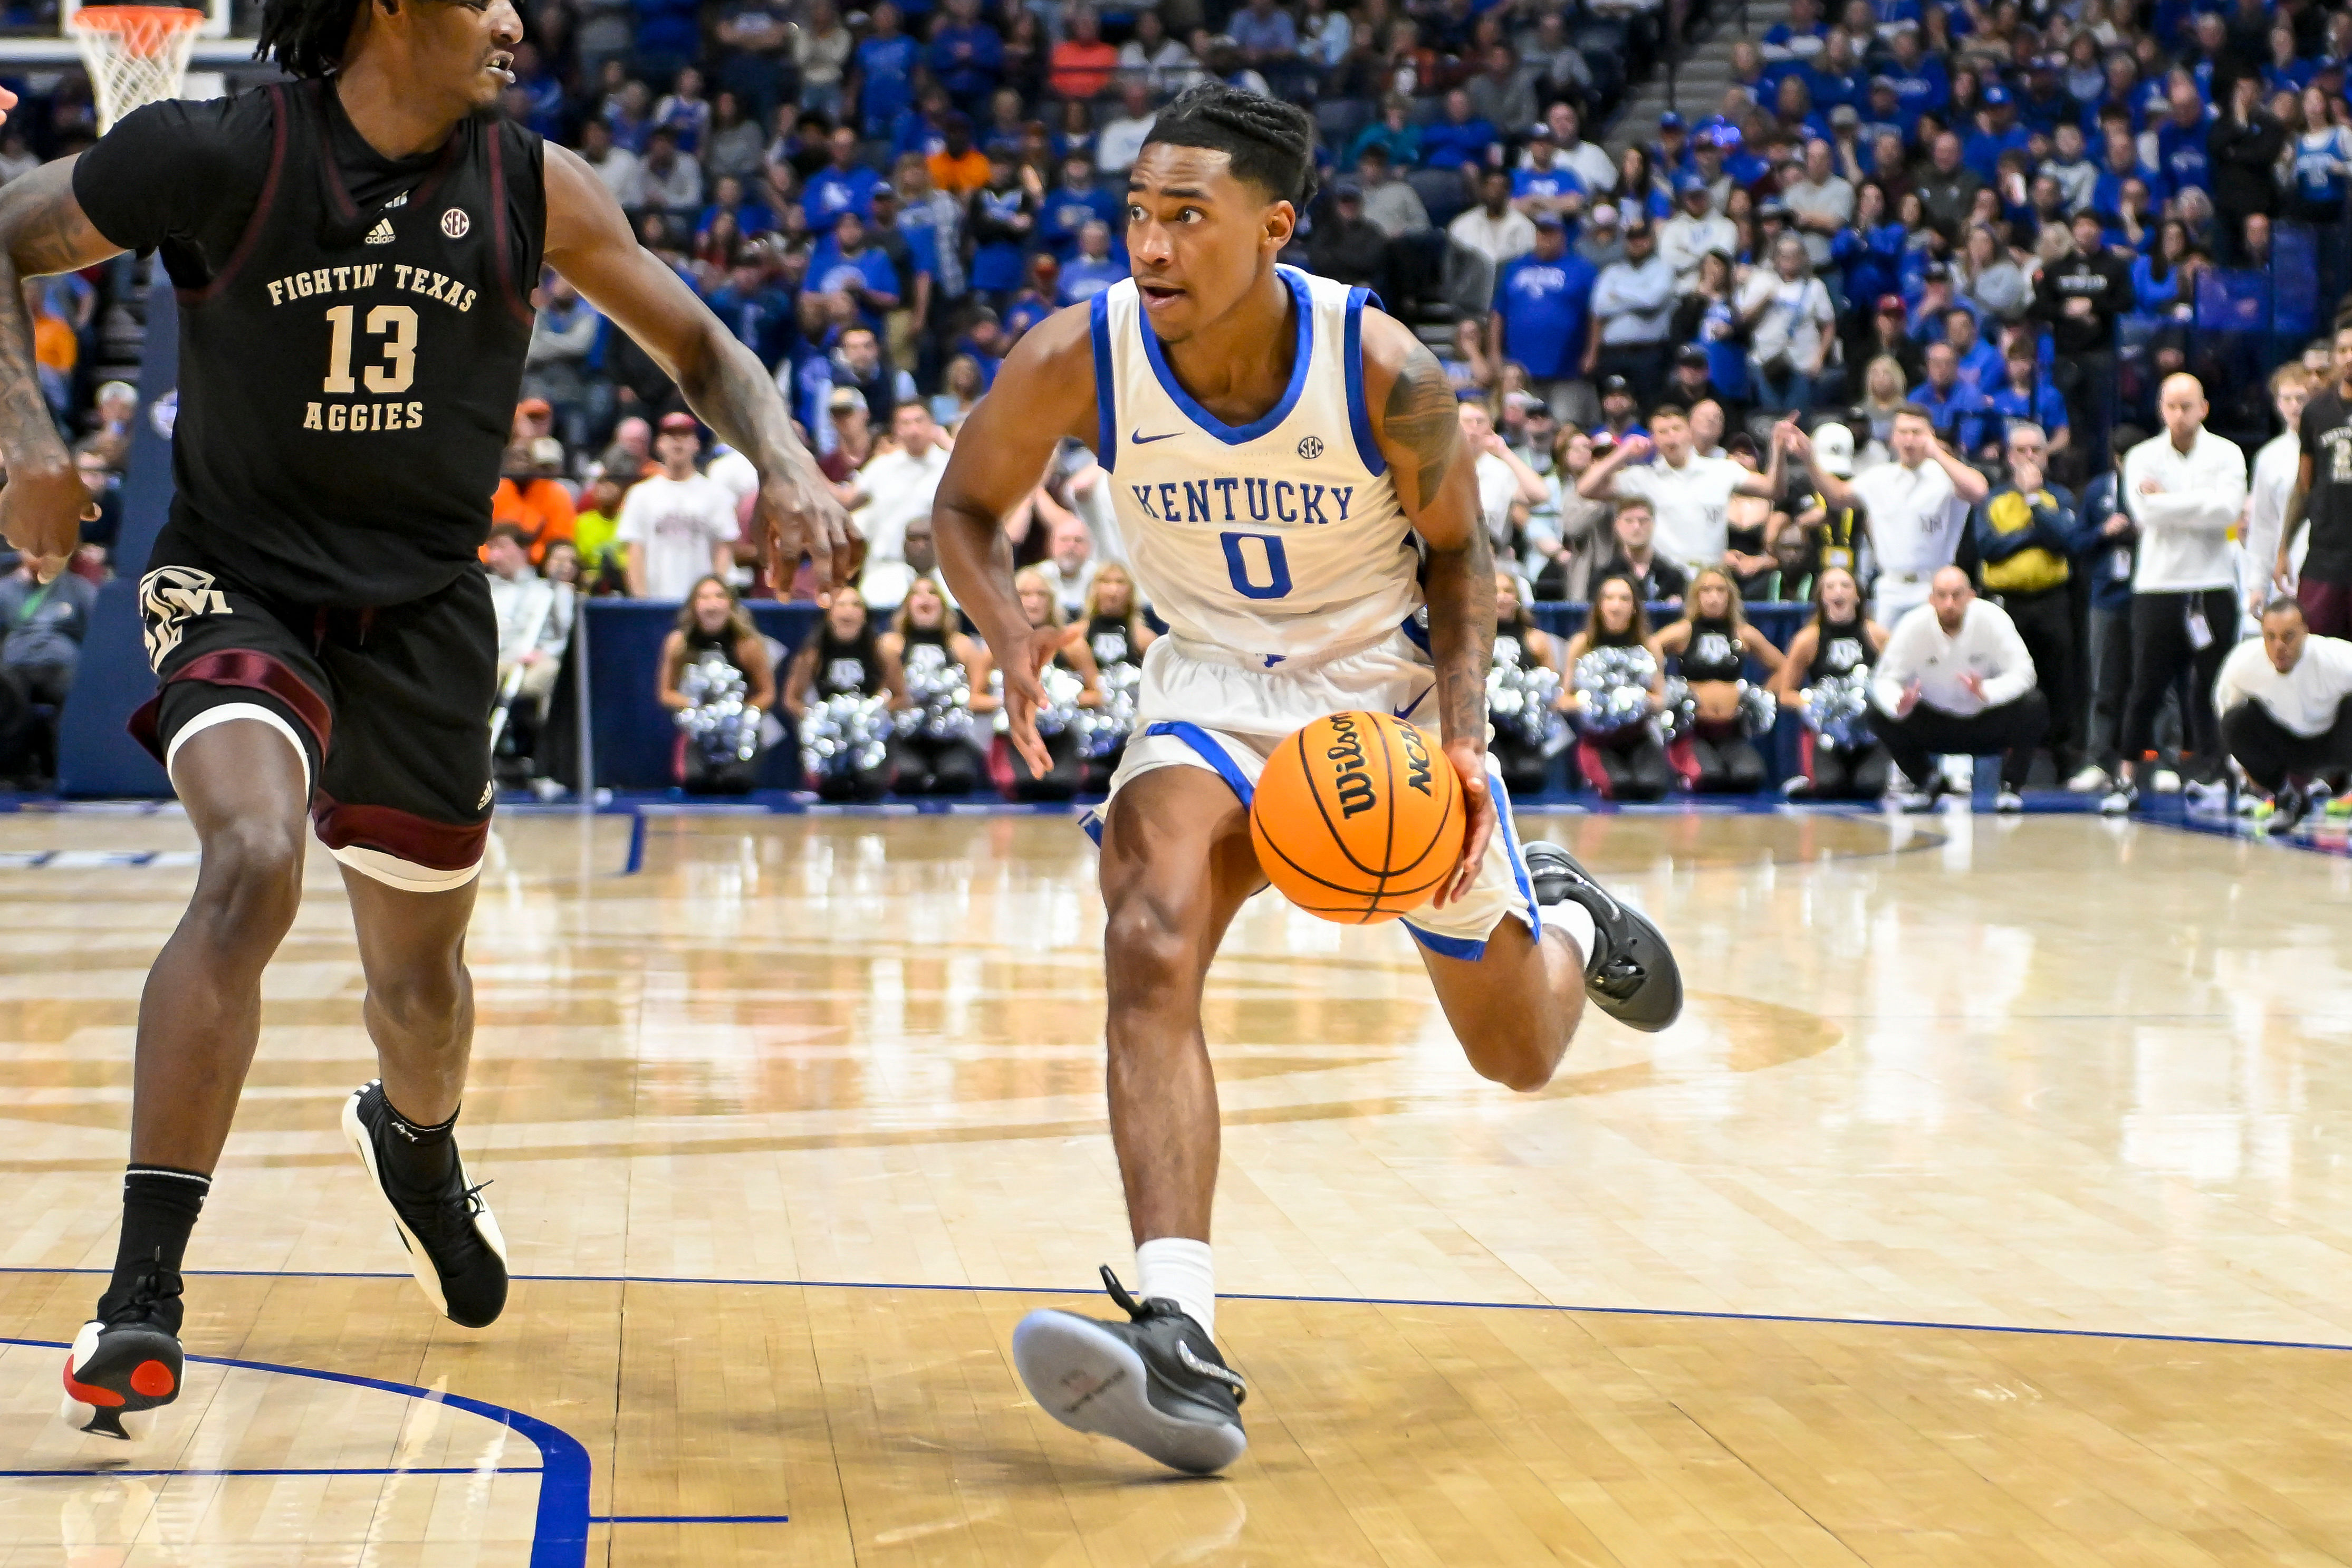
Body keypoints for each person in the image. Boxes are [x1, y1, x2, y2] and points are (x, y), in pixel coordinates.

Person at [0, 0, 853, 1439]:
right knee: (252, 860)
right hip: (240, 583)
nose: (517, 19)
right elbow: (7, 231)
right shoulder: (221, 151)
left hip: (422, 617)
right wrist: (24, 437)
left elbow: (702, 347)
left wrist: (783, 458)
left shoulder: (535, 184)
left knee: (423, 997)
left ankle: (417, 1139)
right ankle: (142, 1294)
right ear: (390, 7)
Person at [929, 84, 1681, 1476]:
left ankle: (1569, 918)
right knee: (1145, 930)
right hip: (1210, 679)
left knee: (1516, 1051)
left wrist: (1461, 738)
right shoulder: (1076, 356)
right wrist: (1009, 626)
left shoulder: (1381, 367)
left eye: (1185, 218)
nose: (1150, 246)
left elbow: (1462, 555)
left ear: (1271, 228)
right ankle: (1181, 1329)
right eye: (1137, 216)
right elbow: (963, 507)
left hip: (1382, 698)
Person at [2106, 376, 2247, 814]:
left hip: (2211, 584)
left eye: (2187, 406)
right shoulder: (2142, 456)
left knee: (2218, 686)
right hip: (2157, 586)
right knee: (2145, 686)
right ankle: (2125, 778)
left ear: (2203, 408)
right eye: (2170, 406)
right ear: (2160, 409)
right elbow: (2143, 514)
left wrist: (2169, 502)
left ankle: (2226, 775)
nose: (2178, 414)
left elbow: (2228, 510)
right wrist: (2195, 504)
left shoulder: (2227, 453)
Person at [1786, 407, 1988, 626]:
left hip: (1934, 585)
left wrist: (1937, 453)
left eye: (1917, 432)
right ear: (1893, 437)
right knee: (1887, 656)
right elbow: (1837, 496)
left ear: (1930, 435)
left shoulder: (1946, 476)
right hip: (1891, 587)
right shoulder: (1880, 477)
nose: (1909, 440)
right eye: (1903, 432)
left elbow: (1979, 491)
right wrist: (1809, 459)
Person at [1871, 566, 2048, 811]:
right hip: (1936, 724)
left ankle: (2011, 786)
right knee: (1875, 712)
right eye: (1942, 596)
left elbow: (2025, 672)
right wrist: (1899, 703)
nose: (1949, 604)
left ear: (1971, 597)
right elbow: (1884, 680)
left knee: (2034, 704)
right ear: (1931, 599)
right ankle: (1929, 782)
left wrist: (1989, 691)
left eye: (1957, 595)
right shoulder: (1913, 625)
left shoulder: (1993, 619)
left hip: (1985, 722)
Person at [1972, 424, 2086, 784]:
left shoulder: (2060, 497)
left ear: (2045, 455)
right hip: (2007, 605)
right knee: (2005, 679)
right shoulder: (1994, 499)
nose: (2028, 457)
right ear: (2008, 456)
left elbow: (2066, 539)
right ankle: (2003, 766)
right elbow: (1989, 547)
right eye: (2020, 451)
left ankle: (2065, 761)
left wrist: (2034, 502)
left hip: (2052, 601)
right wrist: (2035, 535)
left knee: (2059, 682)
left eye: (2035, 450)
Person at [1576, 405, 1787, 573]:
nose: (1671, 438)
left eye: (1676, 429)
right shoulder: (1642, 477)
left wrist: (1778, 447)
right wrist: (1624, 452)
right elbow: (1586, 489)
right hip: (1668, 582)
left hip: (1710, 580)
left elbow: (1772, 490)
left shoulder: (1721, 469)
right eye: (1662, 432)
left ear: (1689, 432)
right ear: (1654, 439)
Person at [965, 564, 1101, 801]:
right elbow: (975, 699)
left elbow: (1097, 694)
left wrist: (1063, 700)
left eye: (1041, 594)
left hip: (1060, 735)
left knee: (1063, 786)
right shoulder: (995, 647)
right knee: (1021, 786)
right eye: (1025, 595)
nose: (1033, 601)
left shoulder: (1070, 645)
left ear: (1052, 601)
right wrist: (1013, 701)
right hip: (1013, 734)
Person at [2215, 598, 2352, 831]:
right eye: (2271, 637)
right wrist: (2245, 770)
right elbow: (2227, 720)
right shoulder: (2242, 664)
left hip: (2335, 746)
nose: (2279, 646)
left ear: (2305, 633)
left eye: (2288, 636)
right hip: (2286, 748)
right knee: (2236, 721)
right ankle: (2288, 800)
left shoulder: (2338, 659)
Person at [1654, 566, 1786, 793]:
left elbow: (1784, 668)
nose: (1714, 597)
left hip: (1732, 733)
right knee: (1709, 777)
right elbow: (1647, 651)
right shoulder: (1683, 632)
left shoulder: (1742, 633)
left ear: (1730, 596)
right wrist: (1663, 691)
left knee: (1750, 776)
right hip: (1693, 732)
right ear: (1696, 596)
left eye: (1720, 591)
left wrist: (1762, 696)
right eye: (1706, 591)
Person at [1770, 565, 1890, 799]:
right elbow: (1785, 694)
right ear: (1822, 597)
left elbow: (1898, 682)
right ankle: (1809, 780)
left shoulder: (1878, 635)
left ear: (1857, 596)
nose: (1838, 592)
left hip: (1869, 736)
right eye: (1830, 587)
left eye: (1845, 586)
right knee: (1830, 786)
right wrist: (1815, 703)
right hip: (1827, 736)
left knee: (1869, 787)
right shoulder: (1808, 640)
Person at [659, 574, 778, 793]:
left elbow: (767, 693)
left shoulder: (747, 644)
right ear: (694, 605)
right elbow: (666, 693)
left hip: (738, 733)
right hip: (699, 731)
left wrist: (741, 716)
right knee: (696, 784)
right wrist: (698, 710)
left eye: (719, 597)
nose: (712, 605)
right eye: (704, 598)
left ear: (731, 604)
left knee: (735, 784)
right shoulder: (679, 642)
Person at [783, 588, 903, 801]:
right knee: (833, 790)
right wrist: (814, 717)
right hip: (831, 738)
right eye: (841, 605)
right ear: (829, 614)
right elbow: (791, 700)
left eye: (856, 605)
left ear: (865, 615)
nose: (849, 611)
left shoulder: (881, 652)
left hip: (868, 738)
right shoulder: (813, 653)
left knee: (870, 787)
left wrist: (876, 714)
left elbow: (902, 697)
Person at [1564, 573, 1673, 800]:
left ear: (1635, 607)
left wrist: (1635, 699)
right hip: (1598, 741)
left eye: (1624, 599)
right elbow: (1563, 700)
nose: (1616, 606)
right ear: (1599, 606)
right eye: (1609, 598)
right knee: (1618, 787)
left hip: (1639, 739)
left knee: (1651, 788)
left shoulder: (1649, 644)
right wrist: (1595, 702)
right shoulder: (1582, 644)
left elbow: (1661, 699)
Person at [878, 574, 984, 795]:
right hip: (906, 737)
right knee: (909, 780)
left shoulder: (962, 645)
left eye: (933, 593)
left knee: (958, 779)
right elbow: (879, 696)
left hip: (951, 738)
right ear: (907, 605)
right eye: (917, 593)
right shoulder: (890, 645)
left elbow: (978, 696)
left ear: (943, 605)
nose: (925, 598)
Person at [0, 546, 97, 784]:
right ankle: (14, 771)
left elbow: (99, 633)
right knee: (10, 693)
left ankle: (64, 768)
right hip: (15, 665)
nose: (41, 556)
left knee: (73, 689)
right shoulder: (4, 590)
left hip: (60, 665)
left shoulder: (78, 589)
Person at [2281, 319, 2352, 640]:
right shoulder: (2316, 413)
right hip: (2326, 557)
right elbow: (2303, 487)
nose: (2349, 357)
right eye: (2343, 350)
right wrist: (2283, 547)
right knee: (2315, 653)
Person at [852, 401, 952, 608]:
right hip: (886, 569)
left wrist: (950, 444)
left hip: (942, 572)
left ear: (932, 424)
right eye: (905, 423)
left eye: (919, 421)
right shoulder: (881, 467)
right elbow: (848, 500)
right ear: (896, 429)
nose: (913, 430)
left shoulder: (952, 467)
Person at [2244, 365, 2311, 624]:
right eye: (2286, 399)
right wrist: (2257, 585)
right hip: (2287, 572)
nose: (2295, 406)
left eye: (2301, 398)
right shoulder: (2269, 457)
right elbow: (2263, 525)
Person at [1489, 569, 1561, 796]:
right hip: (1489, 730)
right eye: (1495, 591)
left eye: (1508, 591)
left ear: (1518, 598)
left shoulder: (1536, 639)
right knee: (1499, 776)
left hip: (1525, 732)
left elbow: (1554, 687)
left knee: (1530, 778)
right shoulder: (1472, 637)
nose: (1502, 597)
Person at [1598, 497, 1689, 605]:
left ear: (1653, 524)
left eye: (1643, 521)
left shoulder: (1674, 578)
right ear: (1617, 526)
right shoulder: (1604, 577)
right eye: (1629, 521)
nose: (1636, 527)